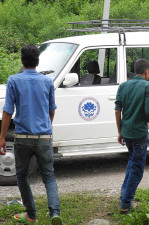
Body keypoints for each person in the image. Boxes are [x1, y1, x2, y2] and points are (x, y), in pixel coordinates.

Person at [0, 44, 62, 225]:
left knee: (21, 176)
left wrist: (2, 137)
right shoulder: (47, 81)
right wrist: (46, 129)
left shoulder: (13, 80)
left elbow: (7, 111)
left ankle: (31, 215)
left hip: (22, 138)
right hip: (43, 137)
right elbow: (51, 110)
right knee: (48, 176)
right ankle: (55, 213)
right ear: (38, 61)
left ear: (22, 61)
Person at [115, 58, 149, 214]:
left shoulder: (123, 86)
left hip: (126, 131)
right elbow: (148, 110)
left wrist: (119, 131)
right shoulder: (148, 86)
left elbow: (117, 110)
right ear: (146, 71)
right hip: (139, 132)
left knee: (132, 161)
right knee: (137, 168)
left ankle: (124, 192)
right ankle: (126, 203)